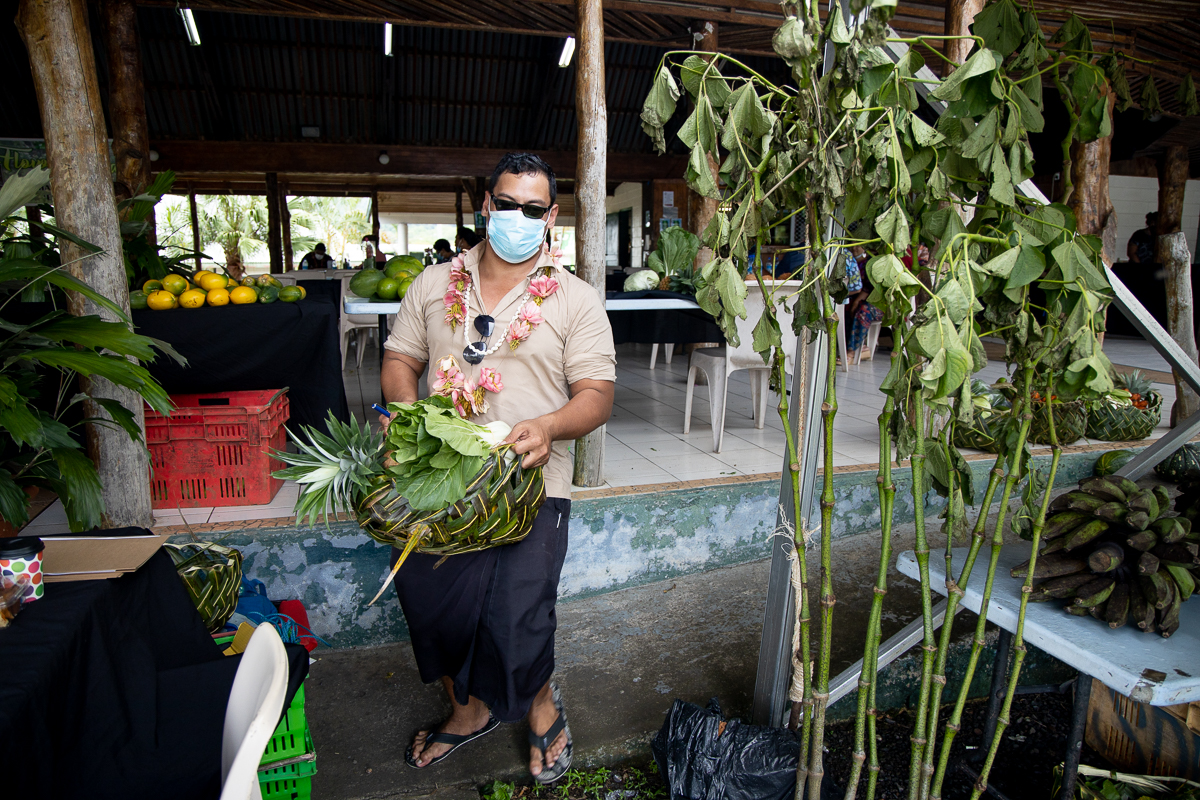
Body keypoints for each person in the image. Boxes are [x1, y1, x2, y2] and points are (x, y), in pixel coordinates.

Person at [380, 153, 615, 784]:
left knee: (520, 614)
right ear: (487, 205)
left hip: (528, 484)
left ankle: (539, 705)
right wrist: (407, 416)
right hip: (441, 482)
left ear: (551, 217)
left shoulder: (576, 299)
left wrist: (548, 427)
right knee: (430, 603)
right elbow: (400, 359)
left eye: (531, 209)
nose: (516, 217)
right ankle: (469, 710)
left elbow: (596, 393)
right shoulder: (433, 284)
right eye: (506, 204)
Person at [846, 246, 882, 363]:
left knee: (863, 310)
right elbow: (865, 288)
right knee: (849, 308)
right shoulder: (865, 263)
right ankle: (860, 348)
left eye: (857, 244)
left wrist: (857, 302)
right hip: (868, 300)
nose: (854, 247)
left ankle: (851, 352)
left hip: (887, 305)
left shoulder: (877, 262)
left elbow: (869, 288)